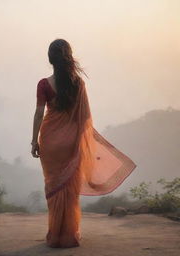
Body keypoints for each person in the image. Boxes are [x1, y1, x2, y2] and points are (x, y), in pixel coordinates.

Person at [31, 38, 137, 248]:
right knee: (69, 189)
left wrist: (34, 140)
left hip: (50, 141)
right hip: (71, 143)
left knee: (53, 187)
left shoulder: (43, 84)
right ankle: (68, 235)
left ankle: (54, 234)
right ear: (68, 58)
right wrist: (79, 139)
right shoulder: (78, 83)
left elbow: (38, 114)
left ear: (50, 59)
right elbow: (86, 117)